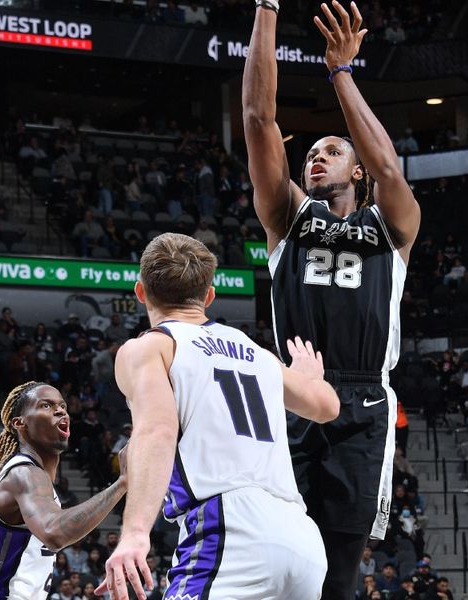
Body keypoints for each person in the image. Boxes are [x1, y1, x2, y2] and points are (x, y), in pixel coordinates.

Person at [242, 2, 420, 599]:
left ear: (357, 171)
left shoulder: (393, 224)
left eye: (332, 150)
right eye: (312, 151)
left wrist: (340, 72)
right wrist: (266, 9)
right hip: (294, 391)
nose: (316, 156)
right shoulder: (289, 216)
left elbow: (390, 168)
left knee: (340, 573)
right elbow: (257, 118)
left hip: (363, 398)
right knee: (283, 558)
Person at [97, 233, 340, 600]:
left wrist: (134, 533)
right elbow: (326, 406)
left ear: (141, 292)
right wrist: (309, 375)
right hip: (300, 536)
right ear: (208, 296)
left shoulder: (150, 347)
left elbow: (158, 431)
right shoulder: (257, 353)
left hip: (230, 528)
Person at [0, 381, 128, 600]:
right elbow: (55, 532)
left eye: (62, 405)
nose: (60, 410)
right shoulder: (25, 474)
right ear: (20, 423)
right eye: (46, 405)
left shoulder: (31, 476)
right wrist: (123, 482)